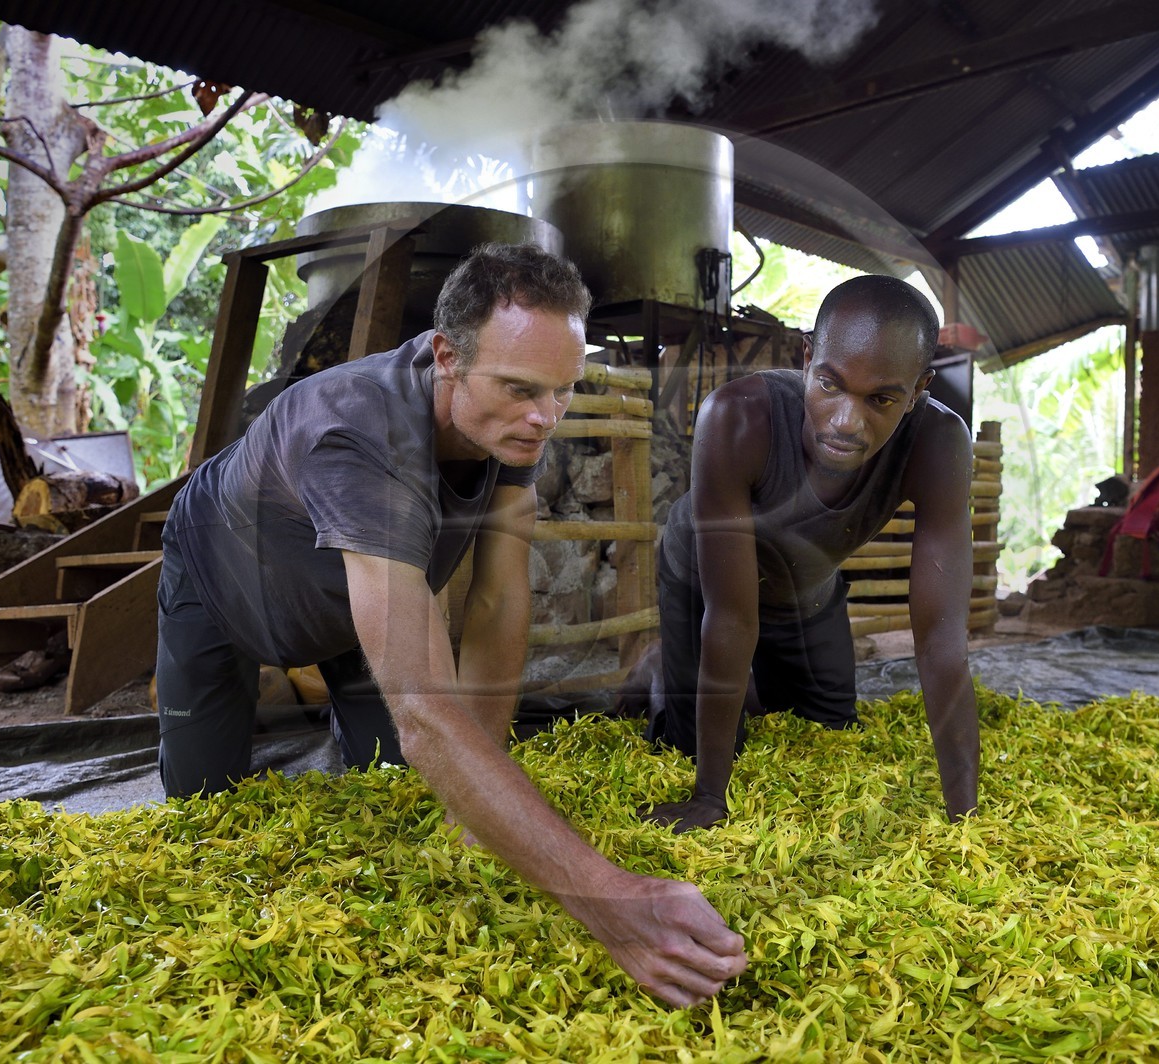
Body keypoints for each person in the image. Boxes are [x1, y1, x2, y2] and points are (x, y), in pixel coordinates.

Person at [155, 242, 747, 1006]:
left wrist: (476, 808)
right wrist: (611, 899)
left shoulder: (510, 422)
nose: (545, 417)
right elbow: (427, 714)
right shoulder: (357, 433)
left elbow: (497, 599)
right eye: (521, 389)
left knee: (407, 792)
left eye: (562, 390)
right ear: (445, 357)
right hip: (225, 579)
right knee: (203, 814)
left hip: (357, 601)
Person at [634, 274, 980, 832]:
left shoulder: (938, 442)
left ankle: (720, 676)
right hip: (707, 578)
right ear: (806, 358)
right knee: (693, 740)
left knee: (827, 729)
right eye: (830, 385)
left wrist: (966, 820)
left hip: (806, 584)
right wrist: (709, 797)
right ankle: (662, 678)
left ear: (919, 389)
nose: (846, 422)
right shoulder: (736, 417)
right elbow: (730, 617)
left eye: (881, 399)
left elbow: (942, 639)